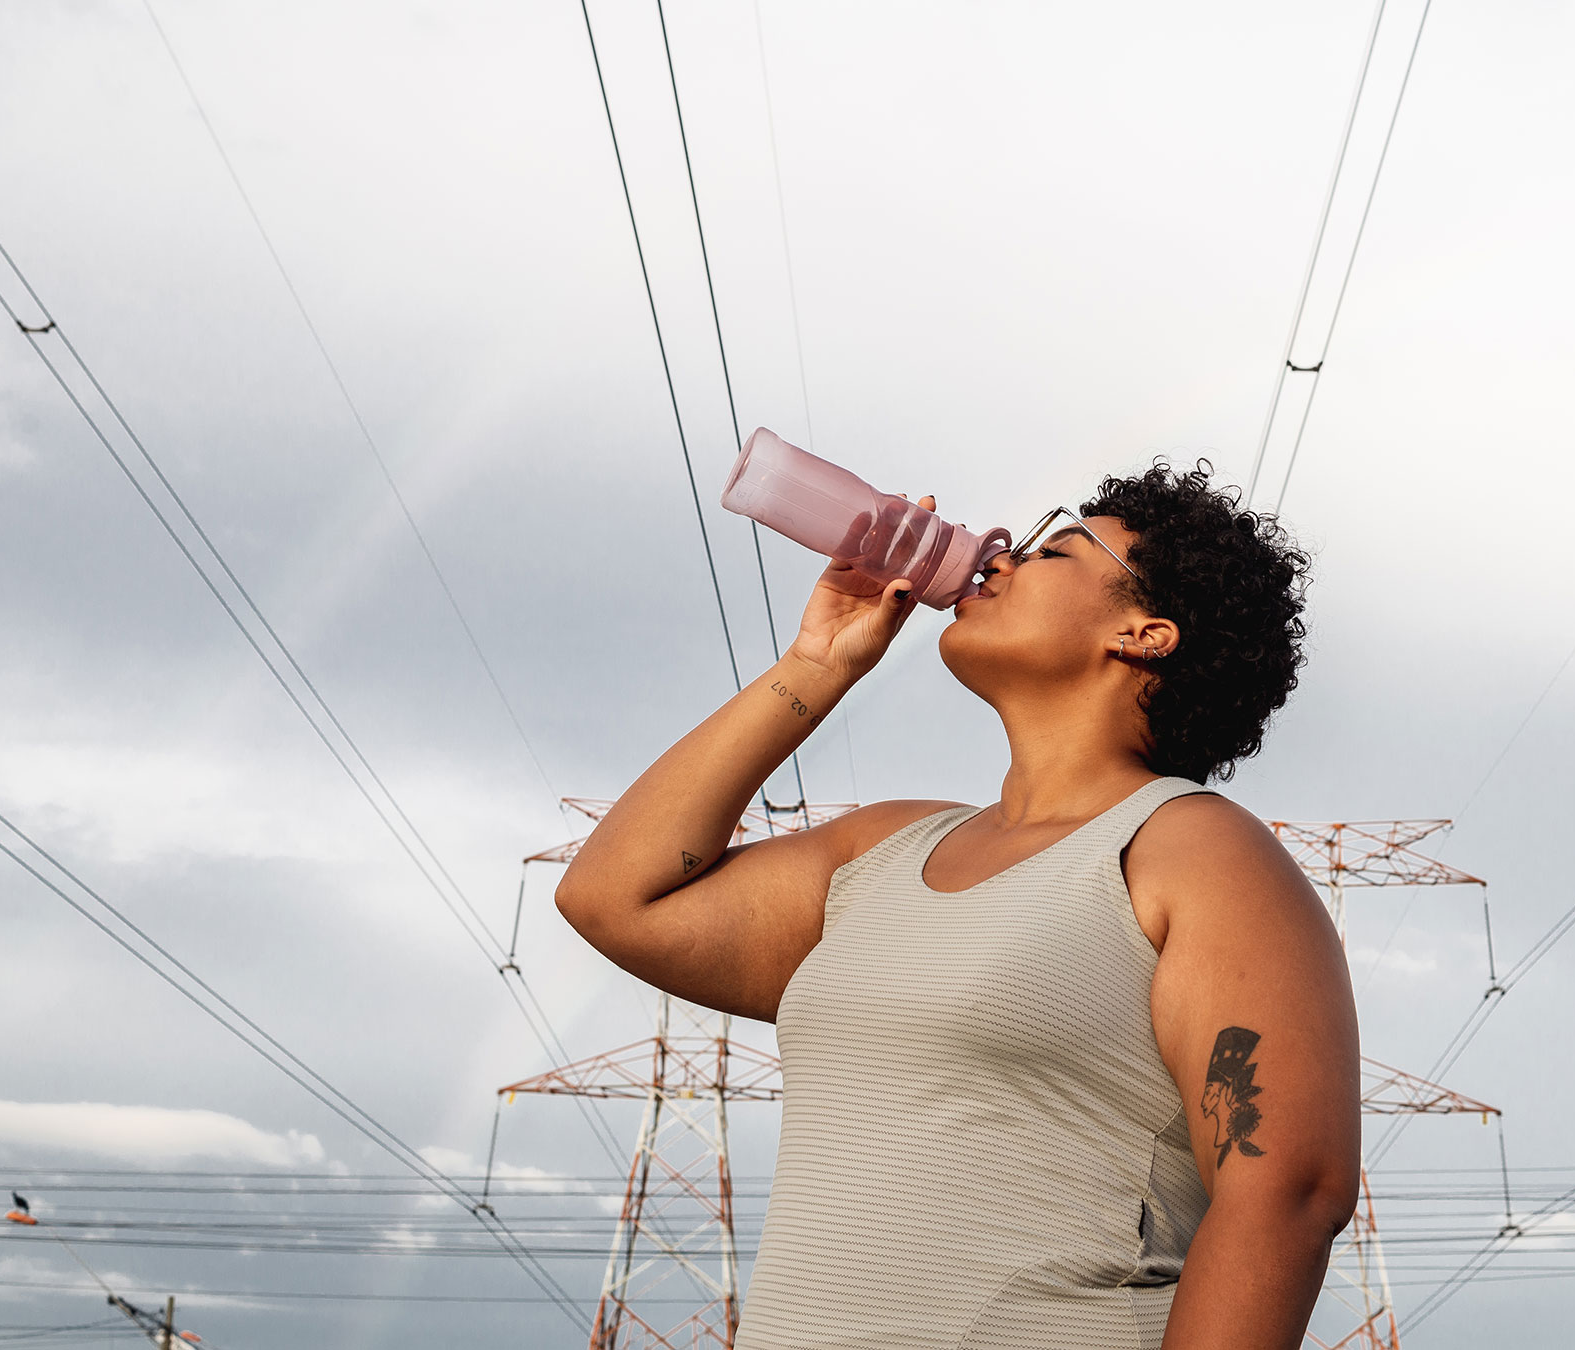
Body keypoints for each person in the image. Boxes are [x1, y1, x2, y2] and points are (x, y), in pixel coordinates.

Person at [557, 462, 1359, 1349]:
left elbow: (1286, 1191)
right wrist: (816, 667)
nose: (1000, 558)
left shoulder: (1196, 851)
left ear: (1145, 634)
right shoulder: (882, 849)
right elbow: (612, 899)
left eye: (1055, 549)